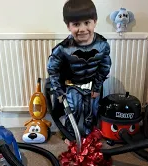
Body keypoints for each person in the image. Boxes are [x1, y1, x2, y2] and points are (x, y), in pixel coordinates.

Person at [47, 0, 112, 137]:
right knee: (73, 110)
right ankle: (70, 134)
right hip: (71, 85)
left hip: (92, 85)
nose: (82, 29)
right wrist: (58, 91)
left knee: (92, 110)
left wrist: (97, 86)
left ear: (95, 21)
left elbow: (105, 67)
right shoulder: (63, 48)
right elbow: (52, 69)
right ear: (68, 26)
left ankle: (89, 134)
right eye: (76, 24)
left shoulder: (103, 45)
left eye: (87, 23)